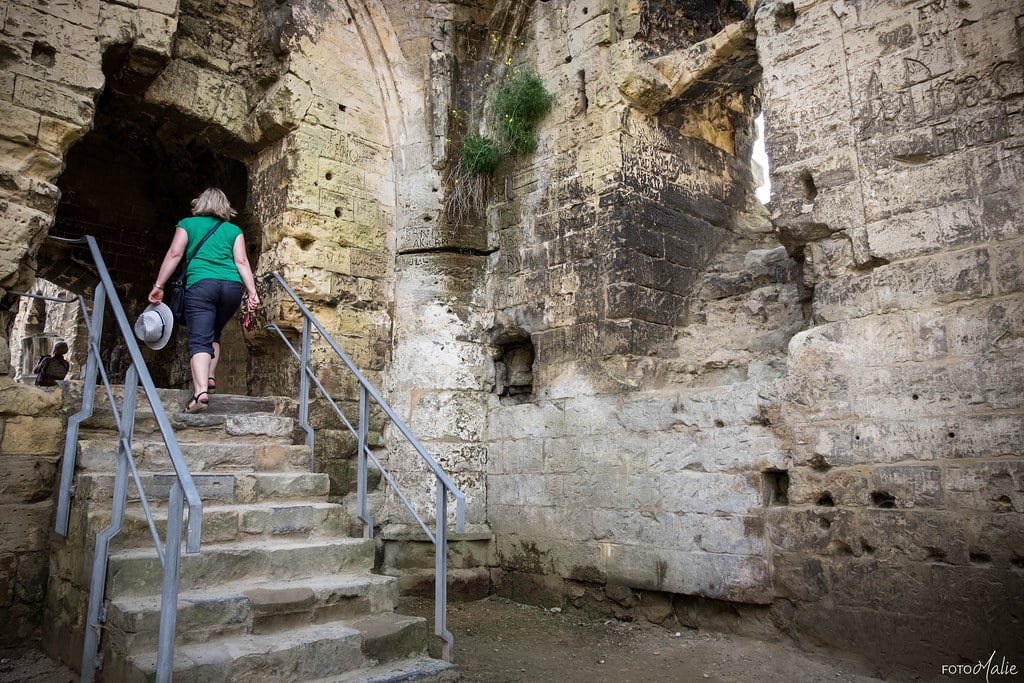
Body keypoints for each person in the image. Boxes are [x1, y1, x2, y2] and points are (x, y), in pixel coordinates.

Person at [148, 188, 260, 413]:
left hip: (201, 284)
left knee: (199, 339)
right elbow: (241, 261)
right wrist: (252, 292)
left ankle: (200, 394)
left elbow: (174, 254)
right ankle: (208, 376)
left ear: (200, 204)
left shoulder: (188, 224)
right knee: (213, 333)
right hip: (232, 288)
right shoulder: (233, 230)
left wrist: (159, 285)